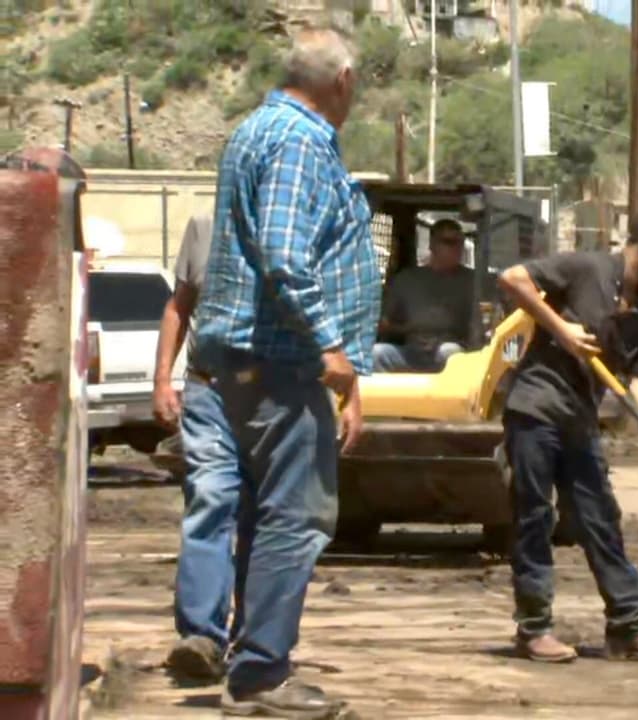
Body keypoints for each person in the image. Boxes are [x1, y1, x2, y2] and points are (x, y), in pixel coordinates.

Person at [190, 28, 380, 718]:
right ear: (343, 79)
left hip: (251, 361)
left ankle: (255, 661)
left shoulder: (257, 131)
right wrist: (330, 346)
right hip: (281, 359)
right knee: (294, 516)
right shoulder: (298, 140)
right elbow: (284, 252)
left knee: (263, 514)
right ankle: (262, 674)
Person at [496, 211, 638, 664]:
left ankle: (628, 626)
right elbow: (512, 279)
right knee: (534, 517)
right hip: (535, 408)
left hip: (580, 420)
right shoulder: (586, 268)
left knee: (600, 517)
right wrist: (561, 329)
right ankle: (534, 629)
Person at [151, 213, 244, 684]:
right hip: (209, 389)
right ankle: (202, 636)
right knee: (210, 497)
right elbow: (179, 307)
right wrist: (162, 379)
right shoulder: (205, 226)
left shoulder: (297, 220)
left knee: (266, 514)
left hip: (277, 392)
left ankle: (256, 638)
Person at [373, 218, 473, 372]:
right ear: (432, 244)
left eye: (460, 242)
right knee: (378, 353)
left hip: (453, 350)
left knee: (449, 351)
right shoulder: (407, 279)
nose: (456, 248)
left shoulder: (473, 281)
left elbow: (484, 324)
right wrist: (410, 328)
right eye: (448, 242)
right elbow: (385, 324)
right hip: (412, 352)